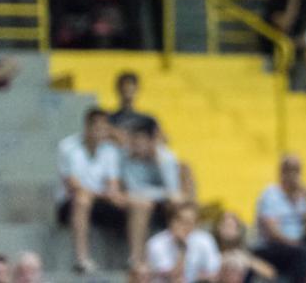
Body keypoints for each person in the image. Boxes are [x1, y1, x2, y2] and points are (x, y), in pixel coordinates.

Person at [57, 107, 154, 273]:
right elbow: (73, 185)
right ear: (87, 127)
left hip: (102, 200)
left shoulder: (109, 150)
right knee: (82, 198)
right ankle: (82, 259)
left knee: (142, 204)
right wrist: (106, 194)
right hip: (71, 202)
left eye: (105, 129)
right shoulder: (68, 147)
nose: (101, 133)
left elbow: (113, 183)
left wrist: (115, 196)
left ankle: (135, 260)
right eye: (98, 128)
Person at [254, 155, 306, 283]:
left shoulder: (302, 195)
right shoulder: (271, 194)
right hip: (272, 247)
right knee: (303, 253)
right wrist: (303, 246)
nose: (293, 175)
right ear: (281, 173)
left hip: (298, 243)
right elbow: (273, 233)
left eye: (296, 170)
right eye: (289, 170)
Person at [144, 202, 221, 283]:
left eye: (191, 221)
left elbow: (214, 272)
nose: (187, 225)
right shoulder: (156, 243)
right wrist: (182, 247)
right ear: (171, 221)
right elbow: (173, 276)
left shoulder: (205, 239)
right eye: (182, 221)